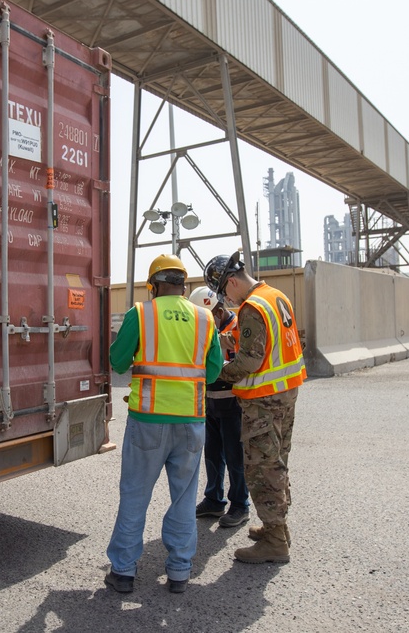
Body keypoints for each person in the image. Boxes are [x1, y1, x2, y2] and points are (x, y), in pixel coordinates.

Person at [106, 254, 223, 594]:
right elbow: (213, 372)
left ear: (153, 286)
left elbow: (117, 361)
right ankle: (179, 572)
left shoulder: (141, 314)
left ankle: (124, 572)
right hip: (191, 421)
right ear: (183, 284)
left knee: (135, 495)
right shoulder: (204, 318)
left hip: (148, 421)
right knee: (185, 498)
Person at [203, 251, 306, 564]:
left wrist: (214, 372)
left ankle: (275, 540)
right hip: (286, 394)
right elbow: (260, 340)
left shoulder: (252, 307)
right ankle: (277, 528)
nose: (227, 299)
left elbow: (249, 361)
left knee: (263, 468)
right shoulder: (275, 296)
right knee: (277, 461)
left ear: (231, 281)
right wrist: (224, 340)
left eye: (224, 292)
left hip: (264, 401)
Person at [188, 286, 251, 528]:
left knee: (235, 456)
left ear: (220, 310)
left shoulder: (236, 329)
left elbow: (241, 365)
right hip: (210, 401)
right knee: (212, 454)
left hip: (232, 403)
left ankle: (240, 505)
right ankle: (214, 499)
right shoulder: (203, 328)